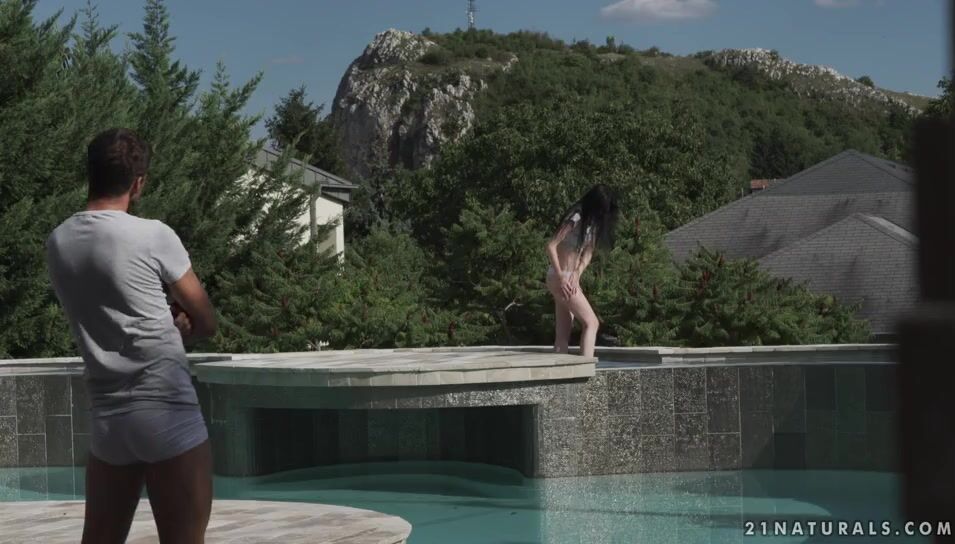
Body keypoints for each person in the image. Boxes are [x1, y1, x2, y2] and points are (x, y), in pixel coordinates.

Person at [46, 128, 217, 544]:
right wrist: (183, 322)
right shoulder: (153, 235)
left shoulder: (59, 241)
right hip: (167, 411)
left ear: (90, 174)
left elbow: (112, 305)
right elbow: (207, 321)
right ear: (138, 184)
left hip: (109, 421)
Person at [545, 184, 619, 358]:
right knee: (591, 323)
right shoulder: (576, 216)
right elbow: (551, 245)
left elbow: (588, 252)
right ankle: (586, 368)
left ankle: (559, 370)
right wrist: (562, 276)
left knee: (563, 334)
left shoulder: (591, 223)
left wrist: (577, 272)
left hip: (566, 278)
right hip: (561, 277)